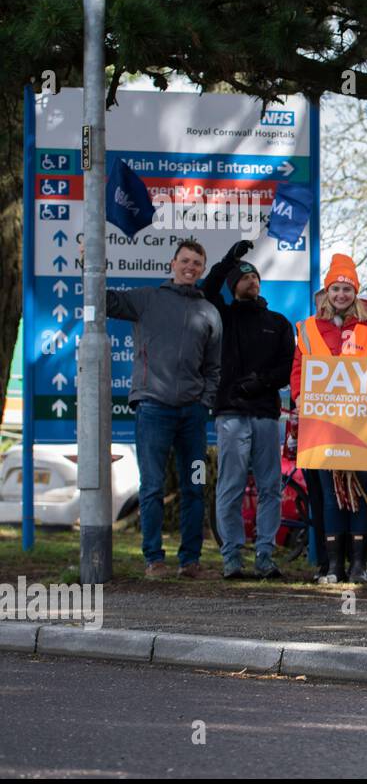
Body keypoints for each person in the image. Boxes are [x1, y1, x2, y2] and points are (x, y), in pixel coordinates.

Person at [107, 239, 222, 578]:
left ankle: (191, 562)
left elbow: (213, 369)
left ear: (202, 269)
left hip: (193, 417)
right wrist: (89, 266)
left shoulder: (210, 312)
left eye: (197, 263)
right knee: (152, 486)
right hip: (153, 410)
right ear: (172, 264)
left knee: (195, 485)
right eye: (184, 260)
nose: (190, 267)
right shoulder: (147, 299)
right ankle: (153, 560)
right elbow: (105, 301)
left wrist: (204, 404)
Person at [289, 254, 367, 584]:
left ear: (355, 293)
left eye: (347, 290)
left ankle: (359, 565)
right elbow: (297, 372)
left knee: (359, 494)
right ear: (327, 291)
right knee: (329, 495)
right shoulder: (307, 329)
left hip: (359, 426)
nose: (340, 295)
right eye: (335, 289)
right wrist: (301, 398)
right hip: (321, 425)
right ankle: (334, 565)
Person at [202, 240, 295, 579]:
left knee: (270, 486)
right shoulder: (222, 316)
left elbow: (288, 366)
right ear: (234, 287)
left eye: (254, 276)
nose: (251, 280)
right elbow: (208, 288)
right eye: (243, 277)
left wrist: (262, 382)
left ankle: (265, 555)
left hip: (266, 414)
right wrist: (231, 259)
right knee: (231, 484)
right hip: (230, 414)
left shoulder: (278, 322)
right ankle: (231, 556)